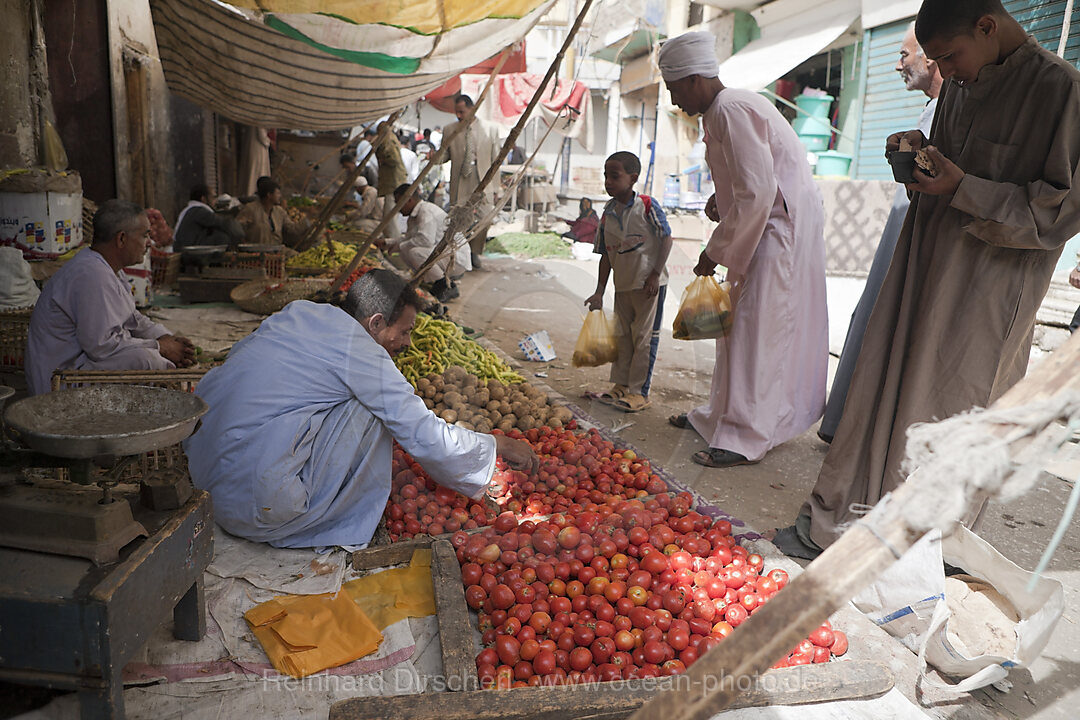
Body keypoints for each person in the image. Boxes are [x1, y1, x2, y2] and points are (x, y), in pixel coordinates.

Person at [779, 0, 1080, 559]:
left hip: (987, 289)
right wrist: (917, 158)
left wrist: (963, 187)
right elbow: (946, 167)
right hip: (923, 263)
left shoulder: (1060, 91)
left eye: (949, 56)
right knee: (886, 388)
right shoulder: (963, 80)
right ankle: (851, 522)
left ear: (986, 26)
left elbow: (1057, 215)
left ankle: (915, 558)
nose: (947, 72)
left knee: (949, 414)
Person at [183, 269, 538, 548]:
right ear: (377, 322)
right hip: (256, 509)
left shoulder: (301, 313)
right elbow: (424, 433)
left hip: (209, 483)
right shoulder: (361, 351)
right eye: (405, 331)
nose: (408, 343)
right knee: (376, 411)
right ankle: (338, 523)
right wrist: (497, 444)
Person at [659, 31, 828, 469]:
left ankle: (744, 437)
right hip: (763, 224)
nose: (676, 101)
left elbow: (758, 192)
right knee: (736, 328)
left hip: (777, 230)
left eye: (675, 89)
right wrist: (722, 201)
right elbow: (747, 180)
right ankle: (720, 417)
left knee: (756, 332)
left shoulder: (731, 107)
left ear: (695, 79)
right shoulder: (721, 110)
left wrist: (714, 251)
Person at [819, 24, 943, 443]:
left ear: (932, 56)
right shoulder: (932, 109)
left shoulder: (950, 110)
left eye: (904, 55)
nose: (897, 65)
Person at [25, 200, 195, 395]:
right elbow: (103, 346)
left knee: (149, 353)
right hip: (60, 381)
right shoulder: (91, 273)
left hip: (80, 366)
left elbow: (133, 318)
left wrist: (166, 337)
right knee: (146, 360)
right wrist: (160, 348)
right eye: (145, 235)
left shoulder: (108, 268)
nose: (150, 242)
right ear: (121, 239)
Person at [583, 152, 672, 413]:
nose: (608, 182)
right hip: (622, 286)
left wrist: (655, 274)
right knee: (623, 338)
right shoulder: (607, 214)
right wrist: (600, 291)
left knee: (644, 338)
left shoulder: (646, 205)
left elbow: (666, 238)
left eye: (615, 176)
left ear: (633, 178)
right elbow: (605, 256)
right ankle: (621, 385)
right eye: (605, 176)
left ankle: (639, 392)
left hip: (648, 286)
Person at [438, 94, 503, 268]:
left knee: (486, 218)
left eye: (462, 111)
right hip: (461, 180)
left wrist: (496, 188)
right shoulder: (449, 130)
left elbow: (496, 160)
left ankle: (474, 251)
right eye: (456, 112)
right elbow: (444, 156)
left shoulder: (491, 129)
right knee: (459, 220)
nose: (459, 116)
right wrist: (434, 157)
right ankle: (461, 254)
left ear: (472, 108)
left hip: (483, 178)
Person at [378, 183, 471, 303]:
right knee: (407, 249)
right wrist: (387, 243)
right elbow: (409, 238)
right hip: (444, 254)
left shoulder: (426, 211)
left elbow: (426, 240)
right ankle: (434, 281)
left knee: (414, 252)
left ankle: (445, 286)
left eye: (399, 204)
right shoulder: (414, 216)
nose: (398, 209)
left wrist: (399, 246)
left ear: (409, 200)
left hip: (457, 258)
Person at [173, 183, 243, 251]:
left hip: (185, 249)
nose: (215, 201)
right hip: (187, 252)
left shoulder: (191, 209)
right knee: (222, 237)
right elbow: (221, 223)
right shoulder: (198, 211)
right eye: (213, 197)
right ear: (203, 199)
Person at [375, 122, 408, 243]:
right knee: (389, 214)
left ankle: (392, 241)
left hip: (393, 182)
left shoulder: (387, 139)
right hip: (393, 181)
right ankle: (390, 239)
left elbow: (393, 159)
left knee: (390, 215)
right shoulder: (390, 138)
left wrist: (383, 158)